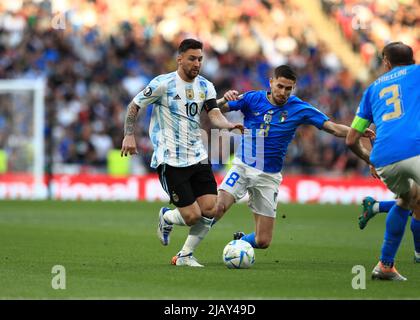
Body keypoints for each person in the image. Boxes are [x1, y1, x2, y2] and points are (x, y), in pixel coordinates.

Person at [173, 65, 374, 263]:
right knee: (217, 209)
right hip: (243, 166)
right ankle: (184, 253)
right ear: (271, 83)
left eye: (288, 88)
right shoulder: (253, 98)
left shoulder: (299, 108)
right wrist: (224, 99)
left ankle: (241, 242)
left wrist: (355, 131)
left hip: (269, 177)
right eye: (280, 86)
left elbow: (332, 128)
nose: (283, 92)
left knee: (263, 241)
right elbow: (216, 109)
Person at [121, 39, 243, 267]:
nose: (197, 63)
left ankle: (185, 256)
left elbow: (213, 113)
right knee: (192, 217)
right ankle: (167, 217)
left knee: (211, 210)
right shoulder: (163, 84)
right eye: (192, 58)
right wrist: (129, 134)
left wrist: (227, 125)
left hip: (197, 156)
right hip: (171, 160)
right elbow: (134, 105)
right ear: (180, 59)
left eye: (200, 59)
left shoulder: (206, 86)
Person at [346, 42, 420, 280]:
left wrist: (371, 159)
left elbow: (351, 139)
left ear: (386, 62)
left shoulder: (372, 89)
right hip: (415, 148)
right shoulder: (417, 72)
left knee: (409, 200)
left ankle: (385, 265)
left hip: (384, 158)